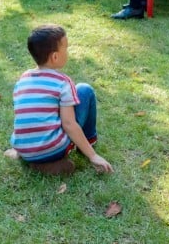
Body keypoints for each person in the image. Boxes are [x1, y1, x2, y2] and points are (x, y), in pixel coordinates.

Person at [7, 24, 113, 176]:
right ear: (55, 57)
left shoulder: (23, 78)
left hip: (22, 147)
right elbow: (69, 124)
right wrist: (93, 156)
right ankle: (88, 142)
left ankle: (30, 157)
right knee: (85, 90)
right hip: (52, 149)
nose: (68, 52)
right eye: (66, 48)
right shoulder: (63, 82)